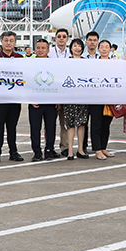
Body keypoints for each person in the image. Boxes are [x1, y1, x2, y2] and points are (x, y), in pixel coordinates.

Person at [0, 31, 24, 164]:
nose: (8, 43)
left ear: (15, 43)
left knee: (12, 127)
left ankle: (13, 152)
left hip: (14, 99)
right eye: (6, 40)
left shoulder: (20, 58)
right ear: (1, 42)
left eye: (11, 40)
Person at [28, 39, 60, 161]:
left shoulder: (53, 64)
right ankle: (37, 151)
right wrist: (30, 99)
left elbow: (57, 82)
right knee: (35, 128)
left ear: (48, 50)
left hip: (50, 102)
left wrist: (58, 100)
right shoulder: (29, 64)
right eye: (38, 48)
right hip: (35, 103)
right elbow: (26, 82)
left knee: (51, 127)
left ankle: (49, 149)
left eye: (43, 48)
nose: (40, 50)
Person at [64, 38, 89, 160]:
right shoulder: (66, 62)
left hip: (83, 97)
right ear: (71, 48)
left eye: (79, 46)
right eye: (75, 46)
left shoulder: (86, 62)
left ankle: (80, 149)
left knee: (82, 123)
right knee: (70, 124)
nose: (77, 48)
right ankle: (70, 150)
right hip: (69, 97)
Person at [91, 39, 115, 159]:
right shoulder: (93, 64)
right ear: (98, 49)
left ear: (110, 49)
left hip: (109, 99)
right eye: (102, 47)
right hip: (96, 98)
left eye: (106, 47)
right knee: (96, 124)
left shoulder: (115, 64)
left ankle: (103, 147)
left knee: (106, 125)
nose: (104, 49)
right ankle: (97, 149)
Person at [48, 28, 71, 157]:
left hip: (66, 92)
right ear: (55, 38)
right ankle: (49, 147)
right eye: (59, 36)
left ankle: (65, 146)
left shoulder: (71, 52)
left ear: (67, 39)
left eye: (64, 36)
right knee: (50, 123)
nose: (61, 38)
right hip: (52, 91)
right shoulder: (50, 52)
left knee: (65, 122)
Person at [80, 30, 100, 155]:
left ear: (97, 42)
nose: (92, 42)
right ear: (86, 42)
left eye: (95, 40)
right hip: (83, 95)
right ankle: (83, 147)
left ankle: (97, 147)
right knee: (83, 122)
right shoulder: (80, 57)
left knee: (96, 123)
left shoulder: (103, 57)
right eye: (90, 40)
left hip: (98, 95)